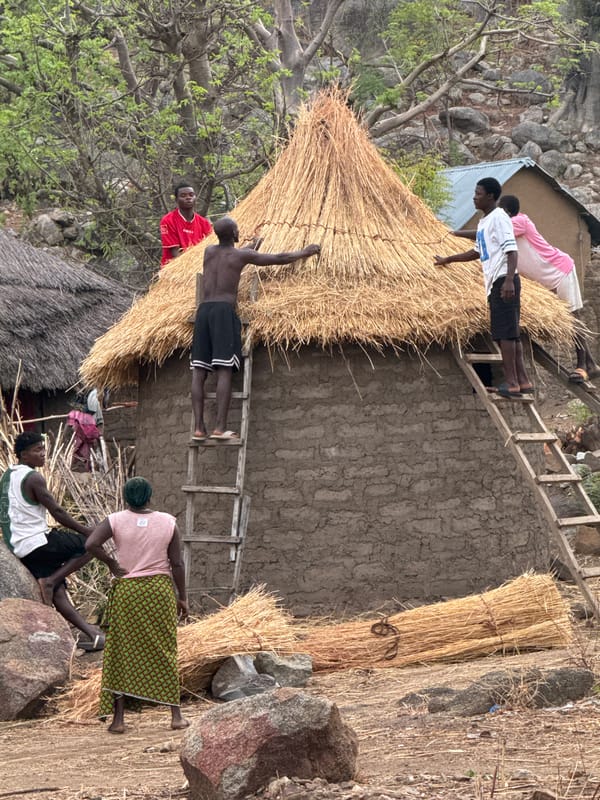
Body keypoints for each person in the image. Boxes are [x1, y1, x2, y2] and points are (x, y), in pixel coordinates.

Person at [191, 216, 321, 440]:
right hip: (223, 312)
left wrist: (251, 246)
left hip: (203, 313)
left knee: (199, 371)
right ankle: (220, 428)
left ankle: (199, 428)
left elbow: (232, 254)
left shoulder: (209, 252)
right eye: (236, 230)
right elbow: (280, 258)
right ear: (234, 234)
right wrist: (305, 252)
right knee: (224, 369)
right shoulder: (241, 256)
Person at [453, 195, 599, 384]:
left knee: (573, 318)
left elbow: (486, 234)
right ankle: (590, 364)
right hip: (545, 279)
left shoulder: (519, 222)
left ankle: (584, 364)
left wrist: (456, 233)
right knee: (570, 317)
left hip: (559, 270)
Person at [85, 477, 189, 734]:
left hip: (128, 592)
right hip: (158, 592)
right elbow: (177, 564)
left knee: (121, 652)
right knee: (165, 649)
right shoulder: (168, 522)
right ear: (150, 497)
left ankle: (119, 720)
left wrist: (111, 563)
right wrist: (182, 597)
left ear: (125, 497)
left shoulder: (115, 520)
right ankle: (176, 716)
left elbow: (91, 544)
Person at [0, 431, 104, 649]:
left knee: (58, 591)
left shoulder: (8, 475)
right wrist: (87, 531)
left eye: (43, 449)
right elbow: (57, 512)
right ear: (23, 454)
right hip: (37, 541)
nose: (43, 454)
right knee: (91, 546)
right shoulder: (34, 478)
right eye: (37, 450)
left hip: (19, 546)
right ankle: (50, 580)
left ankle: (92, 634)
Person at [434, 177, 533, 398]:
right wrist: (449, 259)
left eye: (478, 193)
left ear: (490, 196)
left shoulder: (499, 217)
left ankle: (512, 383)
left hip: (503, 280)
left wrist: (508, 280)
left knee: (505, 335)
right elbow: (477, 252)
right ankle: (523, 382)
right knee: (509, 334)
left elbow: (511, 250)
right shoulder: (484, 222)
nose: (474, 197)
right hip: (496, 282)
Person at [160, 183, 212, 268]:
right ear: (176, 200)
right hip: (175, 268)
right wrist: (191, 268)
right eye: (183, 195)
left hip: (199, 266)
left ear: (195, 198)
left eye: (191, 195)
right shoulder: (167, 220)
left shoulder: (204, 223)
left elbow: (209, 249)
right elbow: (175, 252)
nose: (188, 198)